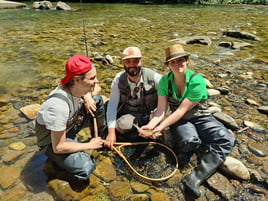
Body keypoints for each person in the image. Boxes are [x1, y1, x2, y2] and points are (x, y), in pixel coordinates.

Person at [139, 44, 235, 198]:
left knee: (227, 139)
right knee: (189, 141)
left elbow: (181, 110)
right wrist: (150, 126)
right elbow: (161, 110)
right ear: (168, 65)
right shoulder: (165, 81)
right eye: (173, 62)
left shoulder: (197, 80)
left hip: (201, 117)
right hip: (181, 121)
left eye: (181, 60)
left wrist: (160, 127)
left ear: (187, 61)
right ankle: (200, 145)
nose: (178, 65)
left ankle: (194, 178)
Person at [35, 55, 107, 182]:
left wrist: (87, 97)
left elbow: (97, 88)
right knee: (86, 168)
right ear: (77, 80)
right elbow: (59, 147)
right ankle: (57, 171)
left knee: (97, 101)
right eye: (92, 78)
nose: (97, 81)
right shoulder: (58, 106)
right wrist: (89, 145)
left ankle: (102, 139)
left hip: (69, 125)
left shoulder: (74, 86)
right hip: (52, 143)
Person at [105, 46, 162, 148]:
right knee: (123, 125)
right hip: (130, 115)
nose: (132, 64)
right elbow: (112, 106)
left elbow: (167, 102)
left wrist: (154, 123)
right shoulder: (118, 79)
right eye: (128, 61)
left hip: (151, 115)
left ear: (141, 61)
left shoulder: (155, 78)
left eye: (136, 61)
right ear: (123, 63)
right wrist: (111, 133)